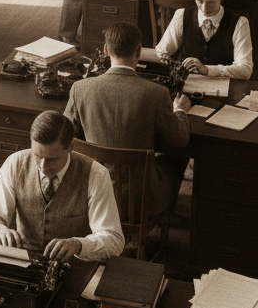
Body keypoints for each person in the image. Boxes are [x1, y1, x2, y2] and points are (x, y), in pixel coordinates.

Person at [65, 22, 192, 217]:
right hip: (142, 201)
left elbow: (66, 138)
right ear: (139, 50)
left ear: (106, 50)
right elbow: (180, 139)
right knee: (178, 158)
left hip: (94, 194)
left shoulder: (79, 89)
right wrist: (180, 111)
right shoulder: (158, 93)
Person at [0, 110, 123, 261]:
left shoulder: (96, 174)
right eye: (37, 156)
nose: (43, 167)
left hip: (73, 263)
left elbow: (114, 240)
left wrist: (79, 244)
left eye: (52, 159)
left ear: (70, 147)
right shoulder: (15, 163)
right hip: (24, 260)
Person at [156, 0, 253, 79]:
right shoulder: (181, 15)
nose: (204, 8)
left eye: (211, 2)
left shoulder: (240, 23)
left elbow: (245, 70)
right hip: (189, 82)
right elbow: (160, 52)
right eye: (200, 1)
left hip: (222, 83)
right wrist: (174, 66)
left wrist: (207, 69)